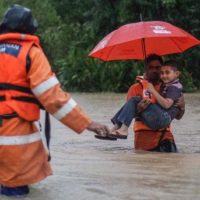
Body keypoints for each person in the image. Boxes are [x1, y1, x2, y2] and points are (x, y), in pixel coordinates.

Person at [0, 4, 110, 197]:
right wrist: (88, 124)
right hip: (13, 140)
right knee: (15, 192)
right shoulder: (31, 53)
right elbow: (54, 99)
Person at [113, 54, 184, 152]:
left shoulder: (168, 87)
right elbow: (129, 114)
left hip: (164, 136)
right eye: (150, 67)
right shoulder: (135, 88)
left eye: (157, 67)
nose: (154, 70)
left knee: (169, 165)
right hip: (142, 139)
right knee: (133, 100)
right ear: (145, 69)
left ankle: (117, 128)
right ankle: (116, 128)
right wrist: (138, 110)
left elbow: (178, 116)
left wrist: (182, 107)